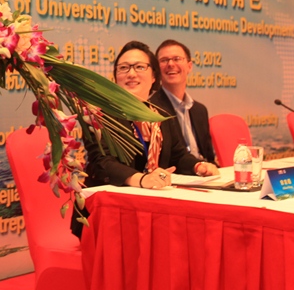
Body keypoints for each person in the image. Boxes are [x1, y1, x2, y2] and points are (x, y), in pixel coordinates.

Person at [83, 41, 218, 190]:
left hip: (153, 193)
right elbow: (102, 163)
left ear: (154, 76)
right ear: (115, 76)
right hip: (111, 197)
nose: (131, 74)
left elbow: (178, 156)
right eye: (123, 68)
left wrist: (198, 166)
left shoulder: (160, 115)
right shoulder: (98, 114)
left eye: (140, 67)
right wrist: (142, 179)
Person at [150, 39, 216, 163]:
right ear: (157, 69)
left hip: (205, 172)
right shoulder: (152, 109)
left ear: (189, 66)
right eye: (164, 60)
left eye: (177, 59)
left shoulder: (200, 110)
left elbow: (209, 158)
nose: (170, 64)